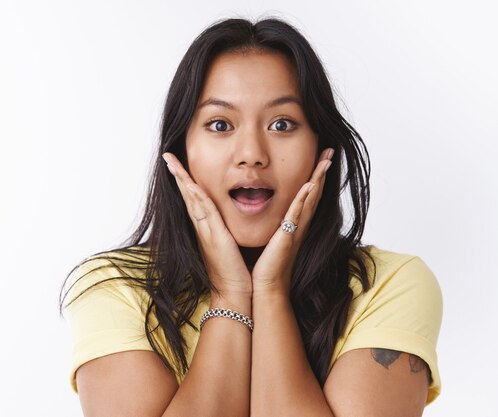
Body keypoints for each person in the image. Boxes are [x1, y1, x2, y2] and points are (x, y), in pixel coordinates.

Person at [60, 16, 442, 416]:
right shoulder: (115, 287)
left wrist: (271, 292)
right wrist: (231, 295)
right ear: (180, 148)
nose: (252, 153)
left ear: (321, 148)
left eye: (282, 124)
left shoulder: (389, 285)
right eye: (220, 124)